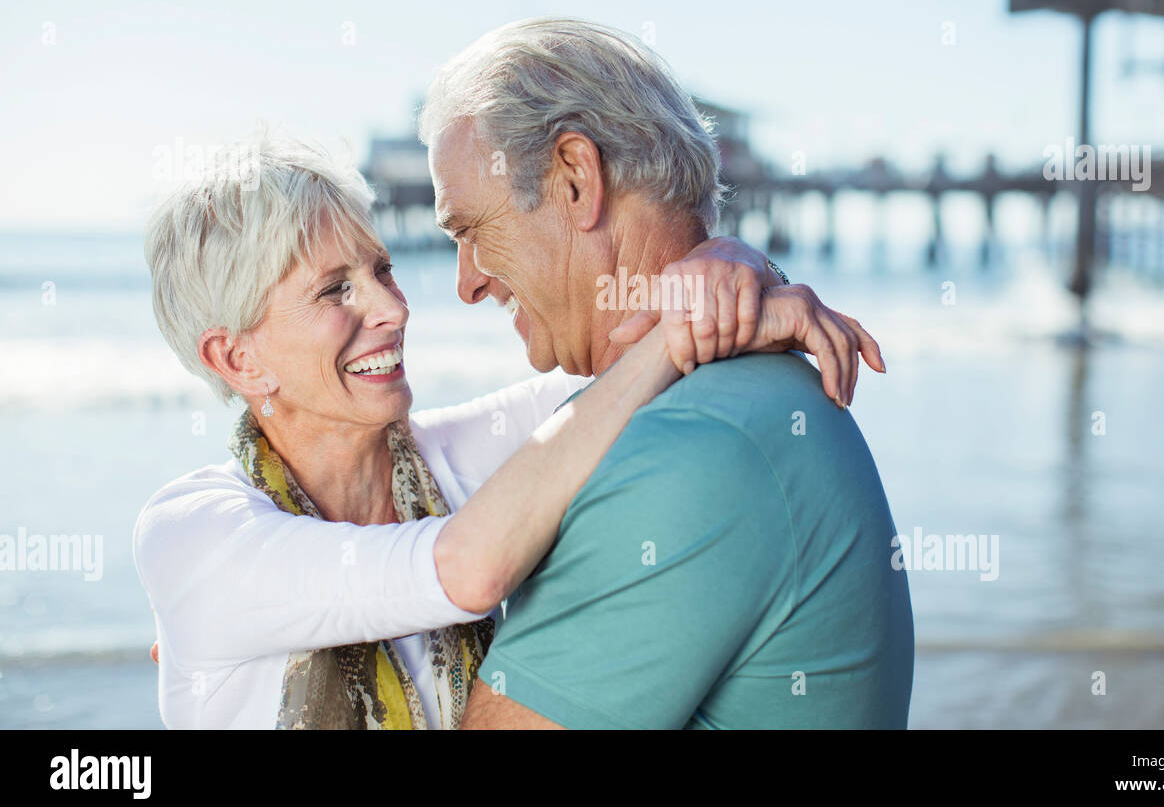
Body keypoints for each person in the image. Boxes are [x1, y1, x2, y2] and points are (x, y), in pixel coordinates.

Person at [134, 134, 879, 729]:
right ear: (236, 358)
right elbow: (469, 569)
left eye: (383, 271)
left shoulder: (462, 455)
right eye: (336, 291)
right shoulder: (191, 533)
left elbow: (616, 370)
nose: (393, 310)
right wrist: (677, 334)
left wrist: (733, 265)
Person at [417, 17, 915, 729]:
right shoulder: (726, 397)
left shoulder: (690, 445)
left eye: (469, 231)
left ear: (575, 178)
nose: (467, 283)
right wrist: (744, 269)